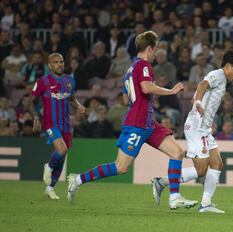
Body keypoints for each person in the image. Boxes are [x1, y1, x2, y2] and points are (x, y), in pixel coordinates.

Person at [66, 31, 197, 210]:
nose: (156, 53)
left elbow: (127, 99)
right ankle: (78, 179)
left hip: (148, 123)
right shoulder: (144, 66)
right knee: (121, 167)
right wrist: (170, 91)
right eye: (155, 49)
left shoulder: (129, 69)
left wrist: (144, 102)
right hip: (137, 124)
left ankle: (175, 197)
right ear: (149, 48)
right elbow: (146, 87)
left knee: (177, 153)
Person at [151, 50, 233, 213]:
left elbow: (199, 94)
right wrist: (197, 103)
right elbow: (202, 85)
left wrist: (207, 116)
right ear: (228, 66)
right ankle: (162, 182)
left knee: (217, 163)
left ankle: (206, 204)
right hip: (196, 128)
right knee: (201, 170)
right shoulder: (217, 74)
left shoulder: (222, 80)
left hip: (204, 127)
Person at [30, 52, 86, 200]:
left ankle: (50, 188)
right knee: (61, 149)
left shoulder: (69, 80)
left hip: (66, 124)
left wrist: (79, 106)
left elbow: (72, 98)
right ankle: (48, 166)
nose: (59, 64)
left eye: (61, 61)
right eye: (56, 62)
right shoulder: (43, 81)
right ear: (50, 65)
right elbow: (31, 101)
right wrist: (36, 117)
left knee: (62, 156)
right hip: (51, 122)